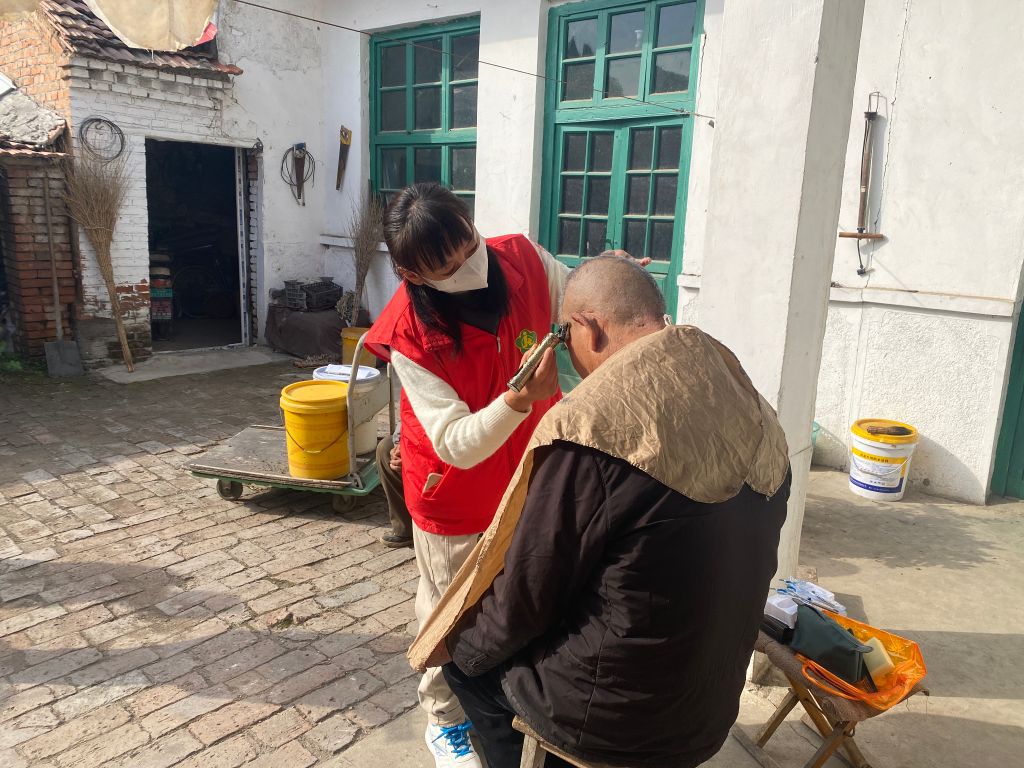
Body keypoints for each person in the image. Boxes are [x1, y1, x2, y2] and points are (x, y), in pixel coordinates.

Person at [428, 256, 792, 768]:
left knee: (468, 669)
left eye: (564, 335)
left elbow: (528, 593)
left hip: (613, 726)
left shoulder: (595, 427)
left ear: (589, 327)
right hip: (708, 709)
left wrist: (459, 646)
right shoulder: (743, 397)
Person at [364, 183, 567, 768]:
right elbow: (455, 443)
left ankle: (509, 698)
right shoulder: (408, 332)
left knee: (522, 593)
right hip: (453, 488)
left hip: (529, 473)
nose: (469, 268)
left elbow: (576, 295)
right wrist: (520, 401)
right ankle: (445, 720)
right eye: (447, 268)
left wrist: (609, 284)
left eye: (469, 246)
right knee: (450, 611)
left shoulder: (523, 259)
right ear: (413, 274)